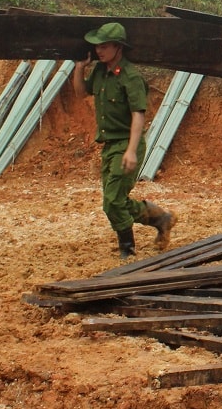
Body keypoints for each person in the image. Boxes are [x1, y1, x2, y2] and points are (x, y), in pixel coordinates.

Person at [72, 22, 177, 258]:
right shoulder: (100, 71)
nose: (99, 50)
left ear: (118, 47)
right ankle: (160, 218)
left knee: (111, 202)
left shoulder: (130, 77)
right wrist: (80, 68)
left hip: (127, 144)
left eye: (105, 46)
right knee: (117, 200)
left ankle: (127, 249)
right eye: (97, 46)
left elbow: (138, 115)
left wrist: (131, 151)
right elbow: (80, 93)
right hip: (109, 147)